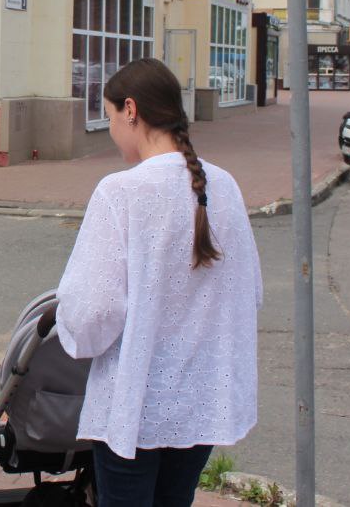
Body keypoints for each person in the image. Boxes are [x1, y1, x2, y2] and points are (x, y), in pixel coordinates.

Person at [54, 58, 262, 507]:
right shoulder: (224, 185)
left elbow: (94, 310)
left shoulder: (121, 191)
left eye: (109, 117)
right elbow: (250, 291)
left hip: (135, 401)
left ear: (131, 110)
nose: (110, 130)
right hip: (201, 401)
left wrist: (73, 336)